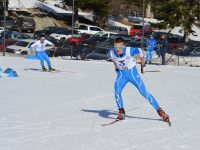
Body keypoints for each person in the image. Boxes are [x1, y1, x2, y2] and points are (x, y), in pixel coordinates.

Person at [108, 37, 170, 124]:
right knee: (117, 92)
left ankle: (160, 111)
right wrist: (116, 68)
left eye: (120, 47)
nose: (118, 50)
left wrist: (143, 66)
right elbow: (114, 60)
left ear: (124, 46)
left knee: (144, 93)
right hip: (121, 75)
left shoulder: (130, 51)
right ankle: (121, 112)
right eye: (116, 47)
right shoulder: (111, 52)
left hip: (132, 74)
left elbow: (141, 53)